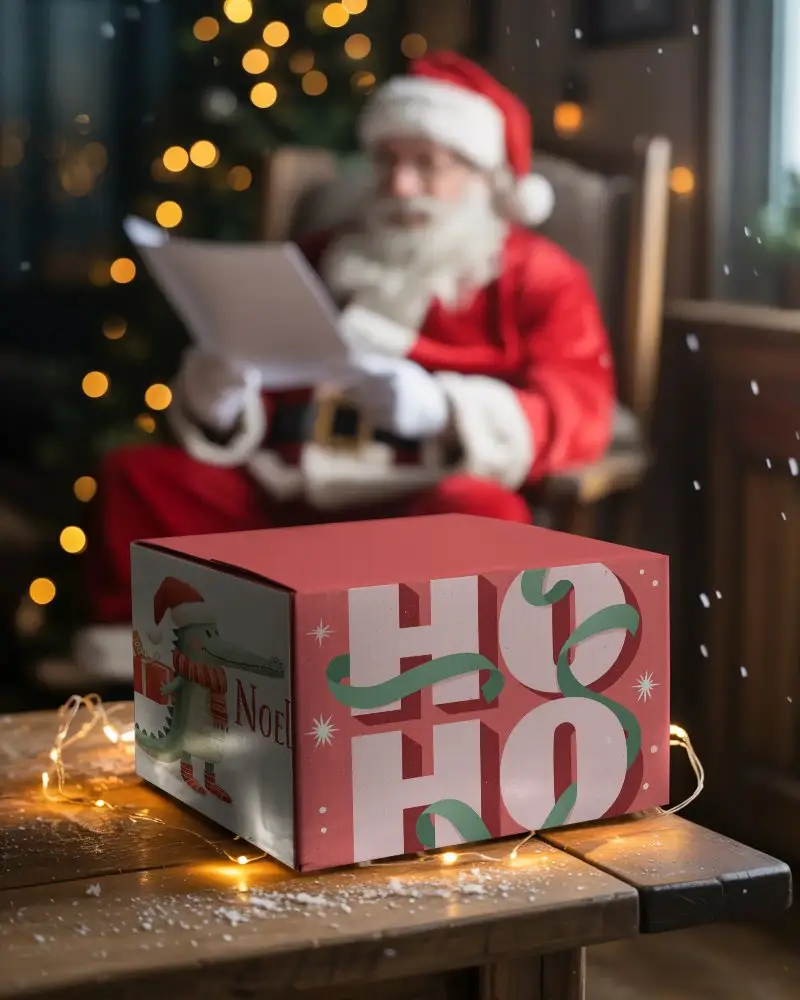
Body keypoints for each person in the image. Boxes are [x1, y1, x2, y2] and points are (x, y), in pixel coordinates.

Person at [74, 51, 616, 682]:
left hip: (412, 503)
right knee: (140, 479)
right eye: (387, 161)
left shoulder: (537, 277)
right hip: (291, 492)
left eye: (427, 166)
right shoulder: (325, 255)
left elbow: (583, 410)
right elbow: (263, 370)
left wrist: (443, 408)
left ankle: (401, 684)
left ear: (484, 178)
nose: (399, 185)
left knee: (480, 518)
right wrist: (221, 400)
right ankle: (165, 672)